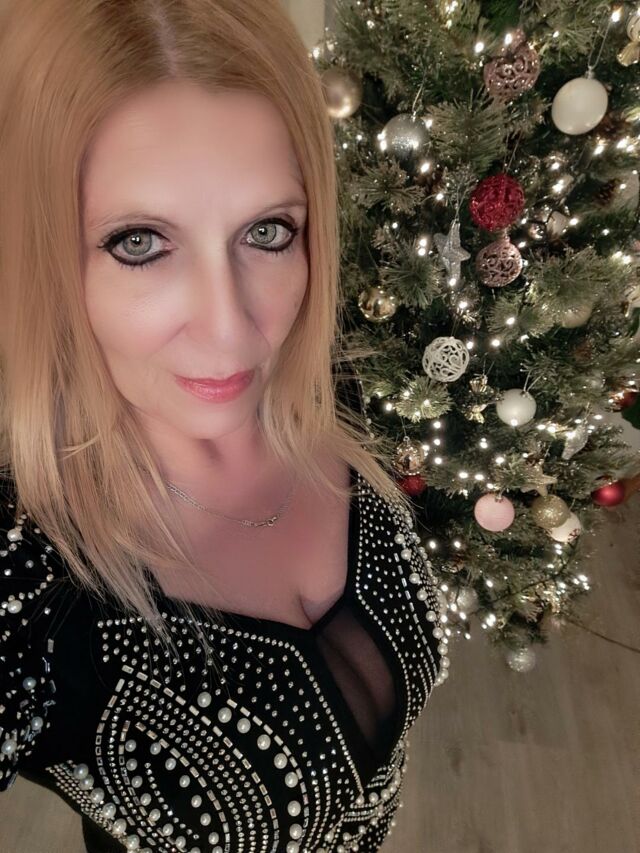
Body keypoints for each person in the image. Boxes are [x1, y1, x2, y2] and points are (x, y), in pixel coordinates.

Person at [0, 1, 447, 851]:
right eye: (139, 242)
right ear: (48, 259)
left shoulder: (338, 385)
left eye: (267, 232)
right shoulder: (29, 573)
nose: (234, 329)